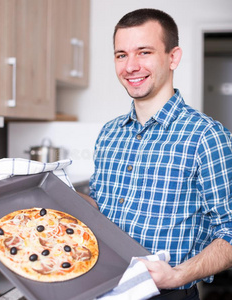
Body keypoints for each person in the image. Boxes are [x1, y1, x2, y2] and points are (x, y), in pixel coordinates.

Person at [81, 8, 232, 299]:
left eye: (144, 52)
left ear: (173, 57)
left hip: (167, 294)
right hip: (99, 287)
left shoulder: (206, 137)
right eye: (121, 55)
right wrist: (50, 189)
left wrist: (176, 275)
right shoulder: (110, 133)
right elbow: (100, 204)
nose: (131, 66)